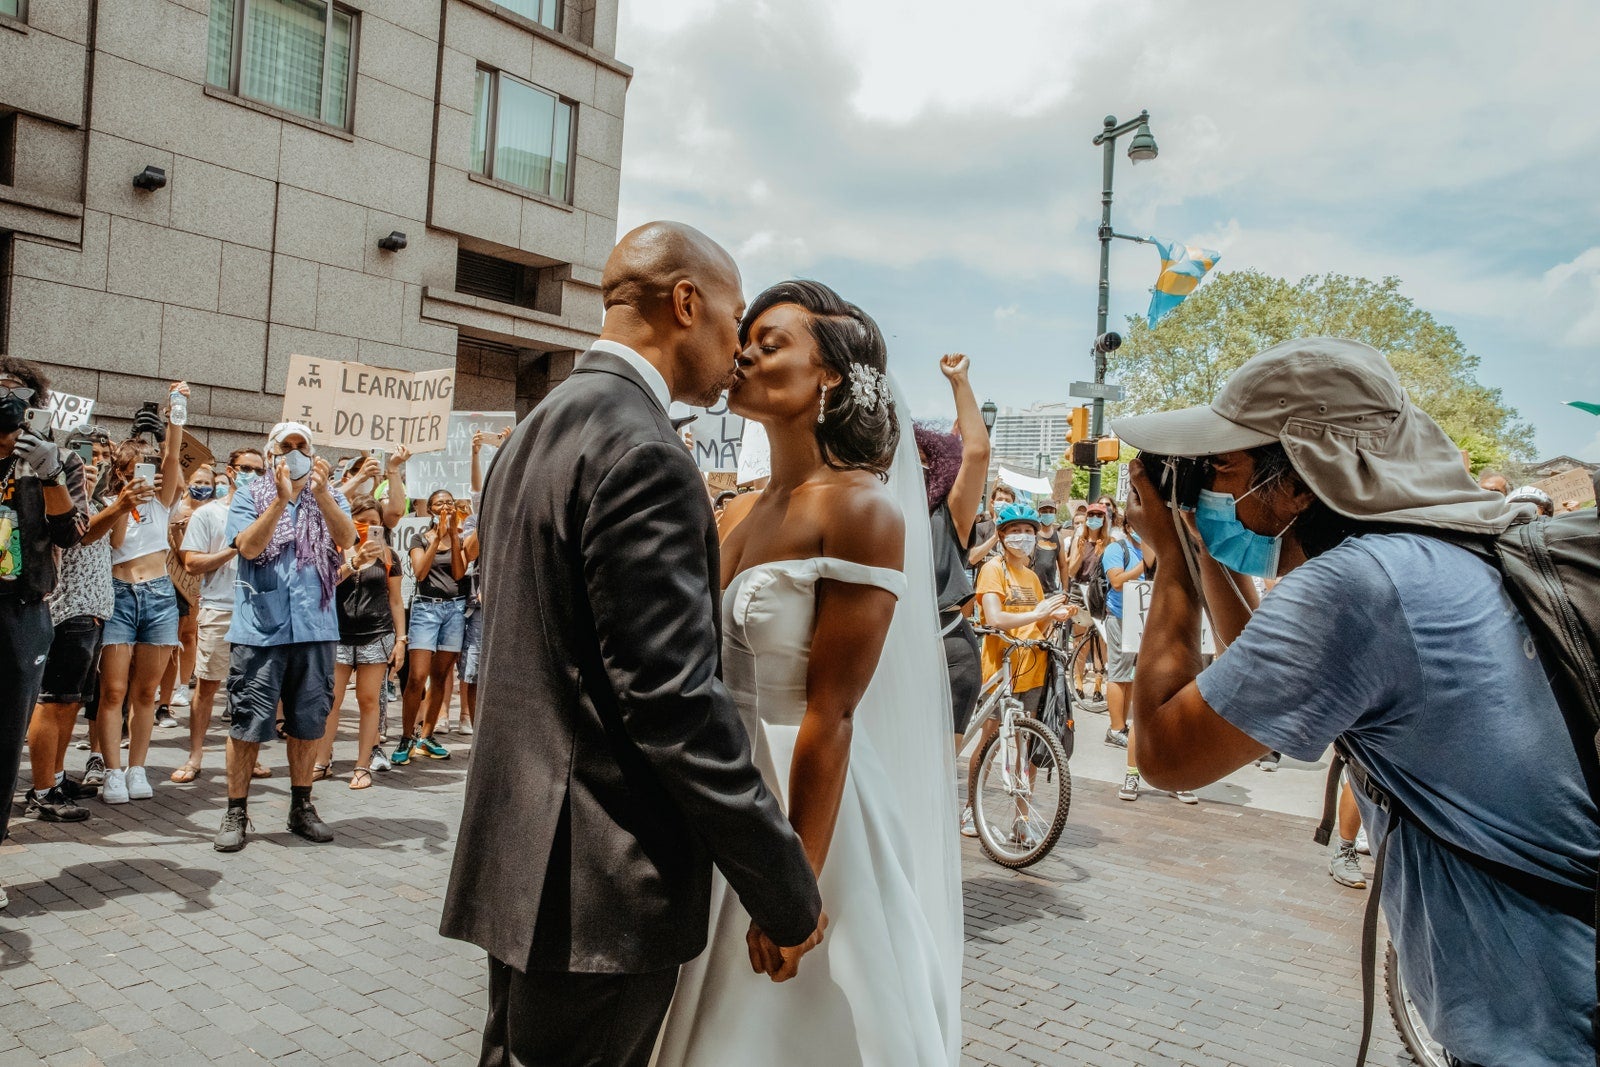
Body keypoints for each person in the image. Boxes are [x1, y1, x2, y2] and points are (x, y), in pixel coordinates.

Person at [1114, 336, 1598, 1065]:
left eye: (1221, 468)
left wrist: (1173, 563)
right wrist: (1199, 544)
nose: (1207, 489)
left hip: (1541, 1039)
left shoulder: (1362, 586)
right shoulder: (1436, 551)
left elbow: (1163, 752)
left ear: (1301, 480)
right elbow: (1256, 688)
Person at [441, 222, 824, 1067]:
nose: (738, 349)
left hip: (522, 853)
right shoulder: (646, 450)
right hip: (600, 880)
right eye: (732, 319)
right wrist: (786, 887)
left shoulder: (537, 428)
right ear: (686, 303)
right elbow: (672, 702)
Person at [656, 278, 961, 1066]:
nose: (746, 353)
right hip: (727, 793)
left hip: (809, 804)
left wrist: (796, 885)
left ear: (829, 374)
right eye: (746, 338)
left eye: (772, 342)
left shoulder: (860, 509)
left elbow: (834, 712)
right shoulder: (735, 510)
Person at [213, 422, 355, 851]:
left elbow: (347, 538)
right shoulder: (248, 494)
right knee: (247, 723)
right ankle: (236, 810)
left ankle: (301, 807)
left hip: (315, 626)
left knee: (309, 722)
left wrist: (322, 494)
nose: (294, 452)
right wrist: (279, 500)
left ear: (312, 453)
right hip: (260, 628)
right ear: (271, 453)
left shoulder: (331, 493)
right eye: (286, 446)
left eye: (301, 446)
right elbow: (248, 547)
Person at [1, 360, 89, 862]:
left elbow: (69, 534)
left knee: (6, 737)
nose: (3, 400)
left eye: (13, 392)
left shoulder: (58, 460)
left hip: (21, 609)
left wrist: (50, 472)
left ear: (33, 405)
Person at [94, 383, 187, 804]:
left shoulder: (162, 503)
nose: (144, 475)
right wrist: (122, 502)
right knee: (113, 691)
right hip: (118, 594)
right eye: (135, 469)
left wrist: (175, 414)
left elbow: (173, 457)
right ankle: (112, 770)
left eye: (147, 468)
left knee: (146, 692)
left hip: (159, 596)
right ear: (121, 473)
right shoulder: (111, 504)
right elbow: (115, 544)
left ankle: (137, 768)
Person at [962, 502, 1074, 840]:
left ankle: (1021, 820)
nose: (1022, 537)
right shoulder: (992, 570)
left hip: (1033, 667)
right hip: (1001, 667)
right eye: (1015, 531)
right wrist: (1037, 612)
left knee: (1028, 743)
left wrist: (1053, 616)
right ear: (1002, 536)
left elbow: (1037, 624)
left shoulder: (1031, 577)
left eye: (1028, 531)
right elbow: (995, 617)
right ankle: (970, 809)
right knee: (990, 740)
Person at [25, 432, 120, 822]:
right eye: (85, 455)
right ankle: (41, 790)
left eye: (102, 456)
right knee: (53, 701)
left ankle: (57, 776)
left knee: (71, 702)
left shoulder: (97, 499)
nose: (93, 462)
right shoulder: (59, 496)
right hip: (66, 610)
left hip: (93, 612)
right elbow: (75, 537)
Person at [913, 354, 990, 757]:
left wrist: (959, 380)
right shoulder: (873, 517)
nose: (913, 469)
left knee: (937, 774)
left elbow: (977, 453)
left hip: (949, 653)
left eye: (922, 460)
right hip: (891, 652)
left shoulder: (949, 514)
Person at [172, 448, 263, 784]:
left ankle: (248, 756)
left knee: (253, 688)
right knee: (208, 685)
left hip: (258, 611)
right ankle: (195, 755)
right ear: (231, 470)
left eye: (259, 470)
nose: (252, 475)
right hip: (219, 608)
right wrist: (233, 549)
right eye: (246, 468)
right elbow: (191, 563)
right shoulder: (208, 514)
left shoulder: (269, 514)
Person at [317, 494, 404, 788]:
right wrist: (355, 562)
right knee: (331, 700)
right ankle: (322, 761)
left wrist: (401, 640)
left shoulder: (390, 556)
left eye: (373, 522)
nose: (367, 527)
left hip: (376, 635)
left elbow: (395, 600)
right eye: (360, 521)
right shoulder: (337, 549)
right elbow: (326, 584)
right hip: (339, 635)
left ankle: (362, 765)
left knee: (369, 701)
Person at [391, 489, 467, 765]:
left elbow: (458, 573)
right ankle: (406, 736)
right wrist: (436, 539)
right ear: (431, 509)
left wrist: (454, 537)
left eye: (449, 502)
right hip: (426, 609)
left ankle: (427, 736)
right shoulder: (420, 538)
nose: (445, 507)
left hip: (454, 609)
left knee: (441, 676)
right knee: (417, 676)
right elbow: (420, 572)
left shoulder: (459, 537)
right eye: (439, 503)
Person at [155, 462, 215, 726]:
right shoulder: (173, 507)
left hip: (193, 581)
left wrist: (181, 535)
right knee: (168, 642)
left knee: (187, 636)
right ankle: (159, 694)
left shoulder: (211, 513)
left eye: (206, 483)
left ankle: (176, 691)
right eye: (197, 482)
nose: (201, 487)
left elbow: (192, 557)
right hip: (166, 578)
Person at [1065, 501, 1112, 705]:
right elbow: (1071, 571)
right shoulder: (1080, 540)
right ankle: (1078, 682)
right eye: (1091, 515)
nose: (1094, 519)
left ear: (1104, 519)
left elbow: (1109, 571)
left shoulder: (1109, 542)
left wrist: (1102, 553)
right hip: (1080, 591)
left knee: (1100, 641)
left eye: (1099, 515)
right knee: (1079, 640)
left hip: (1100, 594)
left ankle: (1099, 684)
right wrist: (1081, 550)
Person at [967, 483, 1014, 568]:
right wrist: (995, 537)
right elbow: (973, 558)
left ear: (1013, 505)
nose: (1003, 503)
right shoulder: (980, 528)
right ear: (992, 503)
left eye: (1007, 501)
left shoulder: (1017, 531)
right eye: (1000, 500)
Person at [1030, 498, 1067, 595]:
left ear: (1055, 513)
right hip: (1032, 590)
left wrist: (1065, 590)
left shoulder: (1058, 537)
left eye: (1051, 511)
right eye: (1044, 511)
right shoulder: (1033, 534)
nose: (1048, 514)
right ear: (1039, 512)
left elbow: (1063, 566)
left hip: (1051, 590)